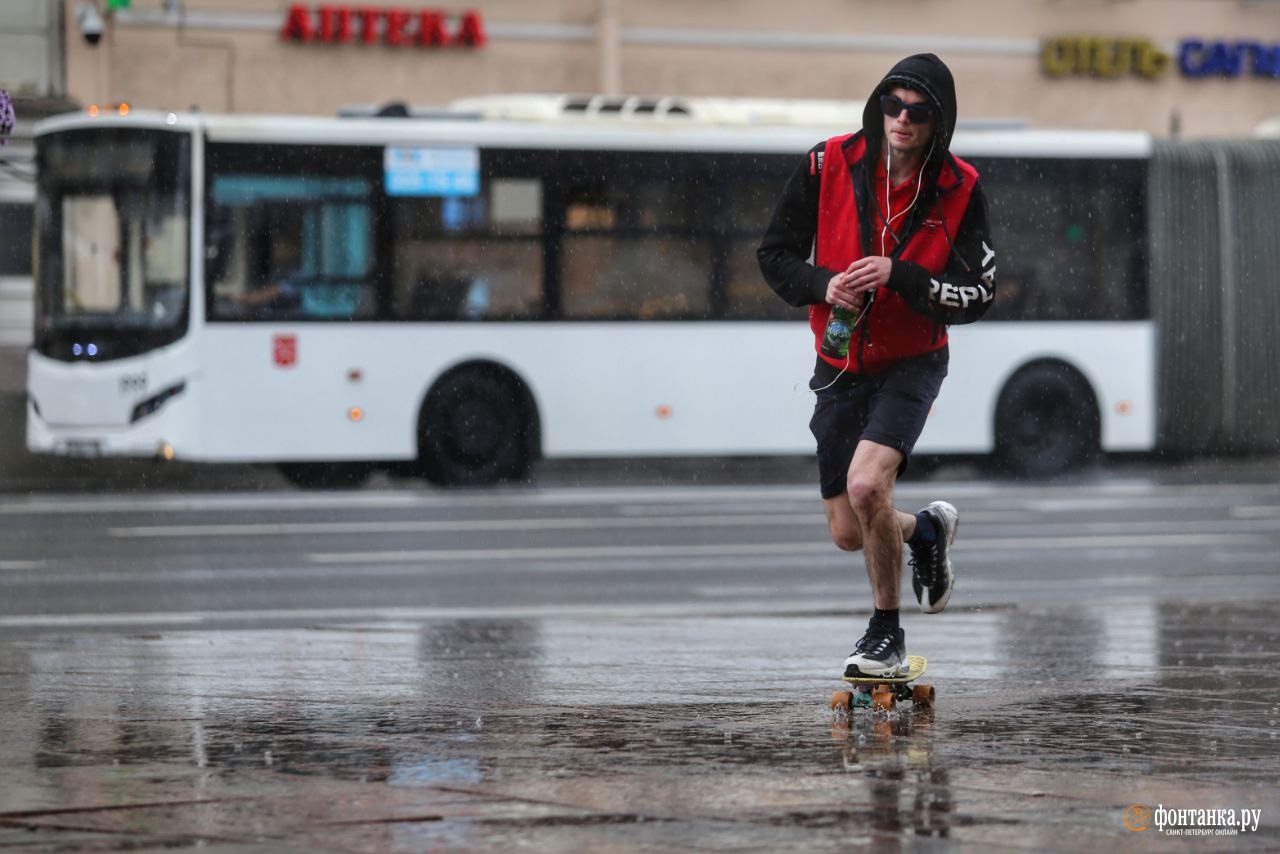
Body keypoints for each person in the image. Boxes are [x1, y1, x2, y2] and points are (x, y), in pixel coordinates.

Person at [757, 54, 997, 678]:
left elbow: (980, 295)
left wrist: (905, 277)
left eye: (917, 112)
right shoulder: (824, 163)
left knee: (868, 487)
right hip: (839, 358)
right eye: (892, 105)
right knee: (847, 528)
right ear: (878, 106)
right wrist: (823, 283)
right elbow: (773, 256)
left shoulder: (962, 187)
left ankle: (884, 634)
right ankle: (924, 531)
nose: (901, 120)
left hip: (914, 360)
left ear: (936, 122)